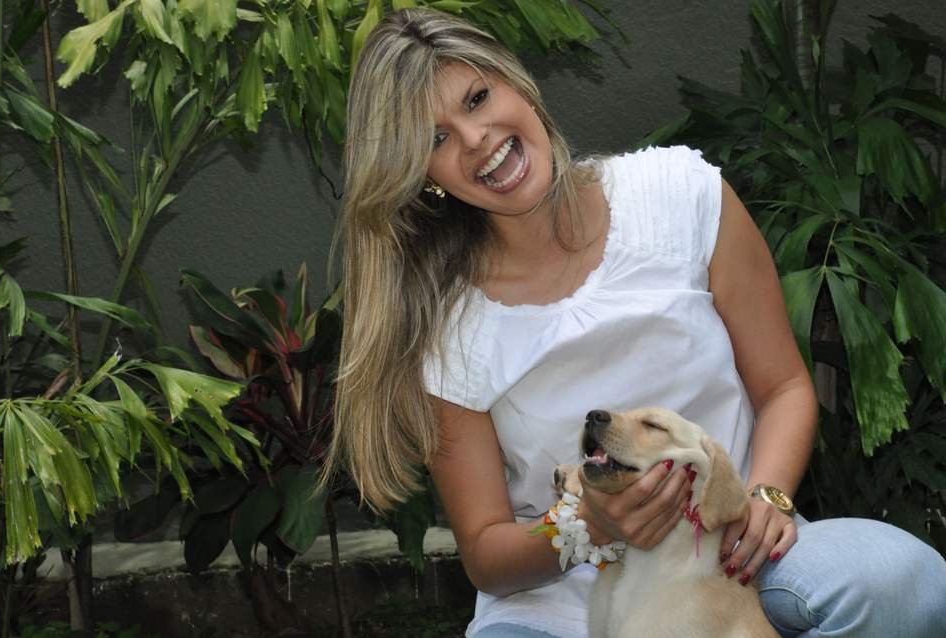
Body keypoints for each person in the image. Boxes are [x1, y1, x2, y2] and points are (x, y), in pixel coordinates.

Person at [324, 8, 946, 638]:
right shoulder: (445, 325)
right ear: (421, 177)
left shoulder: (679, 195)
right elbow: (486, 552)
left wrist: (765, 499)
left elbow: (784, 386)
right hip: (561, 600)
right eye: (436, 139)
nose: (476, 138)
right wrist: (589, 526)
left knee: (906, 583)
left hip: (729, 559)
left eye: (478, 98)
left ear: (517, 85)